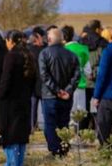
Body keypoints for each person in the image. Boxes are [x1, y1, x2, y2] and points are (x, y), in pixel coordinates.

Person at [0, 30, 36, 166]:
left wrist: (0, 95)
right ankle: (19, 164)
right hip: (25, 99)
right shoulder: (29, 55)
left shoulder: (11, 56)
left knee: (10, 133)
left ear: (10, 40)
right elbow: (34, 80)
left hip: (10, 101)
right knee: (21, 134)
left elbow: (5, 79)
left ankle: (11, 165)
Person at [38, 28, 80, 156]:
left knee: (50, 124)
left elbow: (44, 75)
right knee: (64, 123)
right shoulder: (72, 55)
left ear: (49, 39)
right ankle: (64, 149)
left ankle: (55, 150)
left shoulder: (44, 54)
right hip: (66, 97)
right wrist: (67, 90)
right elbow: (77, 75)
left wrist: (57, 91)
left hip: (50, 96)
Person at [80, 20, 108, 130]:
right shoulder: (103, 43)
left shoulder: (81, 42)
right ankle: (98, 132)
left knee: (84, 110)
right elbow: (105, 62)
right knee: (96, 109)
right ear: (97, 29)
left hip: (83, 82)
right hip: (97, 82)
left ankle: (82, 133)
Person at [62, 25, 89, 114]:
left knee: (68, 114)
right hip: (80, 85)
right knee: (79, 114)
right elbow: (87, 70)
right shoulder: (83, 49)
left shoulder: (62, 49)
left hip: (66, 86)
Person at [28, 26, 47, 131]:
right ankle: (32, 125)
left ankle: (40, 126)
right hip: (36, 81)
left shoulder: (44, 49)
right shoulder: (31, 49)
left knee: (39, 106)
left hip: (41, 81)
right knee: (33, 106)